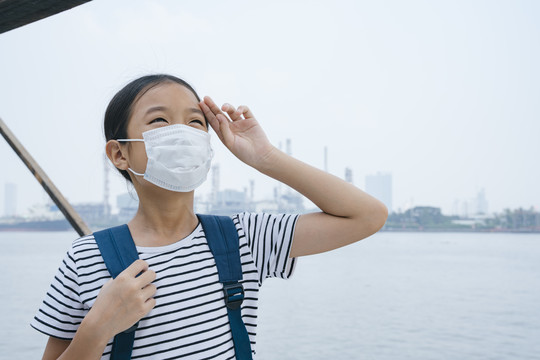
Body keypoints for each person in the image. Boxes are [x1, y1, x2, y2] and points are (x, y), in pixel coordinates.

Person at [31, 74, 388, 359]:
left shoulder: (243, 237)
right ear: (119, 154)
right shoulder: (85, 259)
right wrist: (98, 326)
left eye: (195, 121)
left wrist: (265, 157)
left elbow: (367, 216)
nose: (183, 133)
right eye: (160, 119)